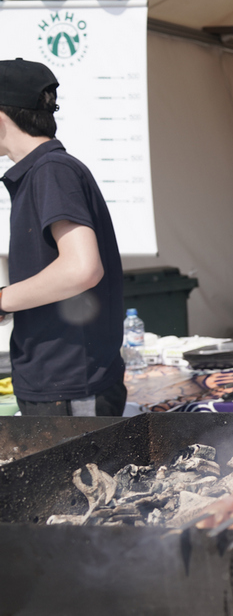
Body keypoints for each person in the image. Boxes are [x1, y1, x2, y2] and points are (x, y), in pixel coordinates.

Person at [0, 58, 126, 416]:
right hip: (56, 383)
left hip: (70, 387)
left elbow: (81, 269)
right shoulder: (42, 171)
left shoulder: (52, 170)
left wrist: (2, 299)